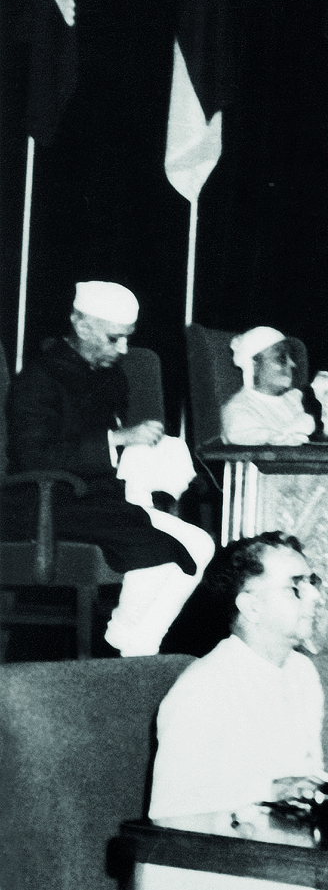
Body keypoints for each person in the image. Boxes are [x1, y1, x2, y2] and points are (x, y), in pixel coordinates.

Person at [5, 281, 213, 656]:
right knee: (157, 552)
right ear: (82, 327)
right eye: (114, 338)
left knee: (201, 544)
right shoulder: (38, 378)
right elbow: (33, 458)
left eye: (127, 339)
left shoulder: (110, 376)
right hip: (43, 504)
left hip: (99, 501)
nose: (124, 350)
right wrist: (116, 440)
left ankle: (133, 641)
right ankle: (132, 650)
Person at [149, 533, 326, 819]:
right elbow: (168, 809)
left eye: (312, 582)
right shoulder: (202, 689)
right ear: (251, 607)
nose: (315, 596)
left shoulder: (301, 671)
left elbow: (304, 779)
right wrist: (270, 791)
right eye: (296, 586)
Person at [220, 327, 314, 446]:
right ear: (255, 365)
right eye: (281, 358)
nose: (292, 364)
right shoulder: (237, 410)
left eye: (290, 357)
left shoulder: (293, 399)